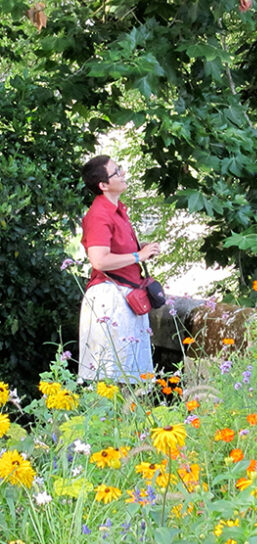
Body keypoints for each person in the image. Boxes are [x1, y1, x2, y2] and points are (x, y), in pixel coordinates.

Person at [78, 155, 161, 382]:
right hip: (110, 300)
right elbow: (99, 261)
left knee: (130, 380)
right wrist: (138, 255)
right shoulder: (99, 215)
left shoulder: (117, 211)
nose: (123, 174)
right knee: (111, 381)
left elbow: (114, 251)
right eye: (117, 171)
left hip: (126, 298)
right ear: (103, 185)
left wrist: (140, 249)